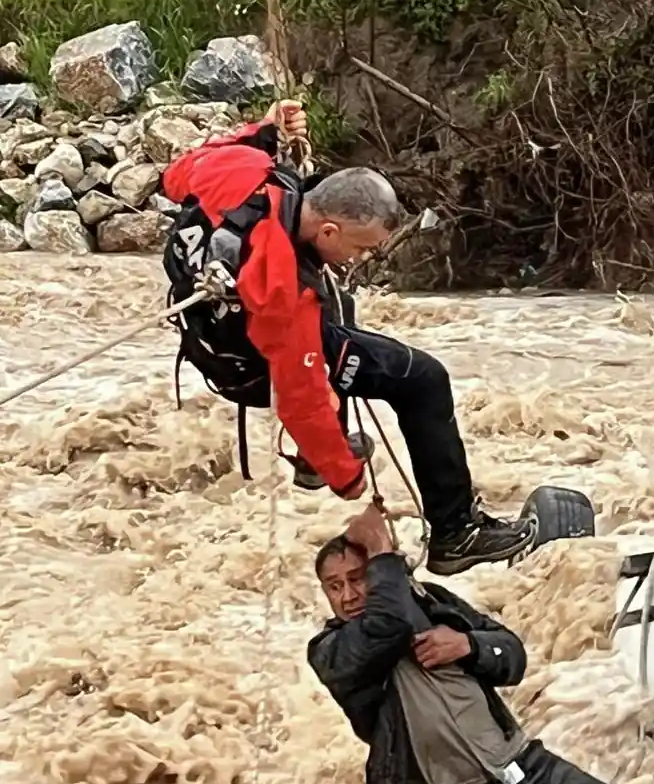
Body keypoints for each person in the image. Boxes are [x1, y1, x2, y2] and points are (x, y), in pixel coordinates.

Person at [160, 98, 532, 577]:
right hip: (249, 365)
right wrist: (346, 476)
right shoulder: (284, 290)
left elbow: (178, 174)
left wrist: (265, 130)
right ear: (330, 229)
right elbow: (300, 397)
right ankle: (457, 533)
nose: (360, 259)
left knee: (342, 311)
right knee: (422, 380)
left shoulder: (241, 167)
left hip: (210, 334)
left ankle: (322, 454)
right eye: (361, 248)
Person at [308, 501, 654, 784]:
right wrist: (380, 552)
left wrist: (469, 645)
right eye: (334, 586)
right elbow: (388, 627)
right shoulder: (332, 652)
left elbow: (513, 656)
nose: (348, 595)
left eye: (358, 579)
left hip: (532, 767)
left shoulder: (431, 604)